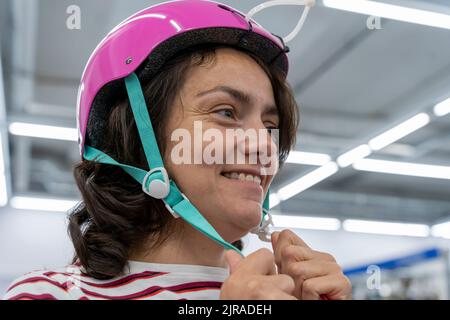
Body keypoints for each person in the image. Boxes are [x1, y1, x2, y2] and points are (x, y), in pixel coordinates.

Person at [3, 0, 351, 300]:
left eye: (270, 126)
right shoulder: (48, 293)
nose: (264, 145)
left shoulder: (287, 291)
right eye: (226, 112)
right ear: (136, 137)